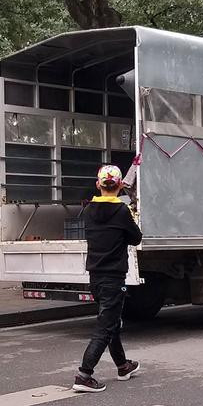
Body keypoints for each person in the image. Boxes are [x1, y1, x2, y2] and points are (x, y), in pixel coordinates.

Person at [72, 165, 142, 393]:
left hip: (95, 276)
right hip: (114, 277)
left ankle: (123, 366)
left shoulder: (89, 210)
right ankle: (84, 374)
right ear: (121, 185)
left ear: (98, 185)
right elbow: (136, 238)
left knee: (110, 322)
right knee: (105, 326)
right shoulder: (122, 212)